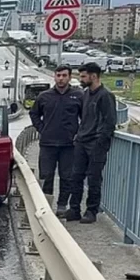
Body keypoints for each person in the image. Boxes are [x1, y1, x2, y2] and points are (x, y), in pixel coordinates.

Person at [64, 62, 117, 224]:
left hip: (96, 143)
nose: (80, 79)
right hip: (81, 141)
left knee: (94, 178)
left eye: (83, 76)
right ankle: (74, 209)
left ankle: (91, 211)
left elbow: (110, 122)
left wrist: (100, 142)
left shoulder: (105, 95)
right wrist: (79, 135)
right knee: (76, 176)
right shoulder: (86, 93)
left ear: (93, 76)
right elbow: (85, 118)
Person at [29, 65, 84, 217]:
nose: (61, 78)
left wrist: (78, 133)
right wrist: (42, 129)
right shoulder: (44, 96)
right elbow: (34, 114)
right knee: (46, 176)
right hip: (48, 144)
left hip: (69, 145)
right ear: (54, 76)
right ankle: (46, 206)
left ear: (69, 77)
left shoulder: (78, 96)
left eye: (64, 75)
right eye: (58, 75)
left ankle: (61, 206)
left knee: (67, 177)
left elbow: (85, 117)